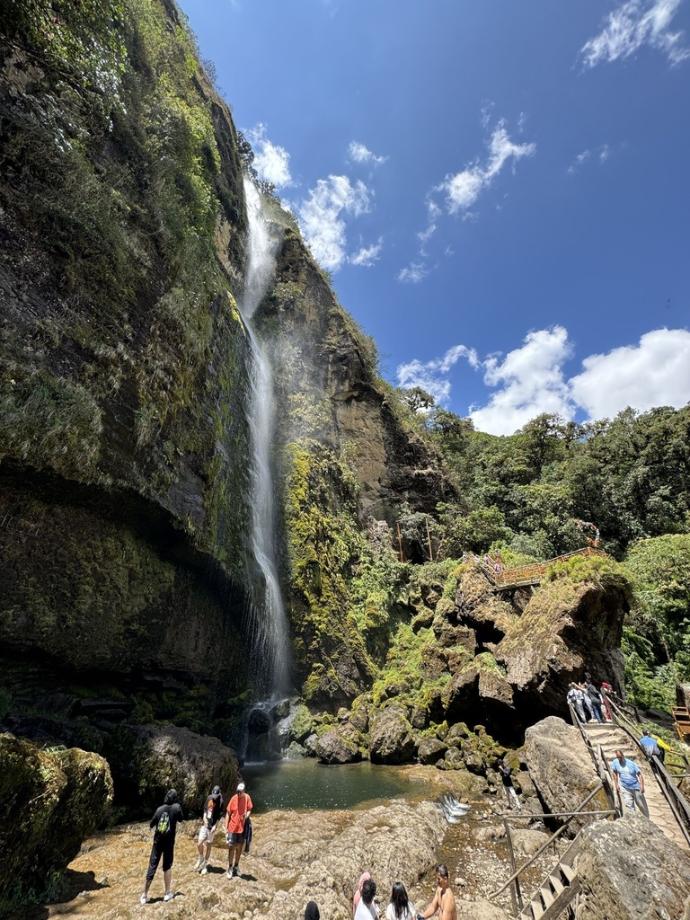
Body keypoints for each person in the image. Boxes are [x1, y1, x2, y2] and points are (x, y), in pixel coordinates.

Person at [140, 789, 184, 905]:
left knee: (152, 866)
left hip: (157, 842)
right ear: (175, 798)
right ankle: (167, 893)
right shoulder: (177, 807)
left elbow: (151, 824)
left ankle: (144, 895)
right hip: (169, 843)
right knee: (167, 866)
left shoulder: (159, 809)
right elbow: (181, 819)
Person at [225, 781, 253, 878]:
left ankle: (236, 866)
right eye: (237, 791)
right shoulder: (233, 798)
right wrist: (226, 828)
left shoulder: (247, 798)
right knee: (231, 847)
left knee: (239, 847)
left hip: (242, 828)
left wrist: (247, 816)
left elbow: (249, 809)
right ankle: (230, 867)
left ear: (244, 791)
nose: (238, 793)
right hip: (232, 828)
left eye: (240, 791)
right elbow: (228, 813)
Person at [610, 750, 649, 817]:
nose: (619, 759)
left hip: (635, 787)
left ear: (623, 756)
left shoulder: (631, 764)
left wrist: (642, 786)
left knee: (641, 805)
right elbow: (615, 773)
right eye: (618, 757)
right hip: (625, 787)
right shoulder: (615, 762)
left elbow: (639, 775)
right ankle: (633, 819)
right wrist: (616, 785)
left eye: (620, 757)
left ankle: (647, 818)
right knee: (629, 805)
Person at [196, 785, 223, 874]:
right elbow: (205, 810)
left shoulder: (221, 802)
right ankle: (201, 858)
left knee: (208, 845)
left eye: (216, 796)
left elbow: (219, 816)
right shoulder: (209, 798)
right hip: (205, 824)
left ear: (219, 794)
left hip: (212, 826)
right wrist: (204, 818)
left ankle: (205, 864)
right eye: (213, 795)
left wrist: (215, 826)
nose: (214, 797)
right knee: (199, 843)